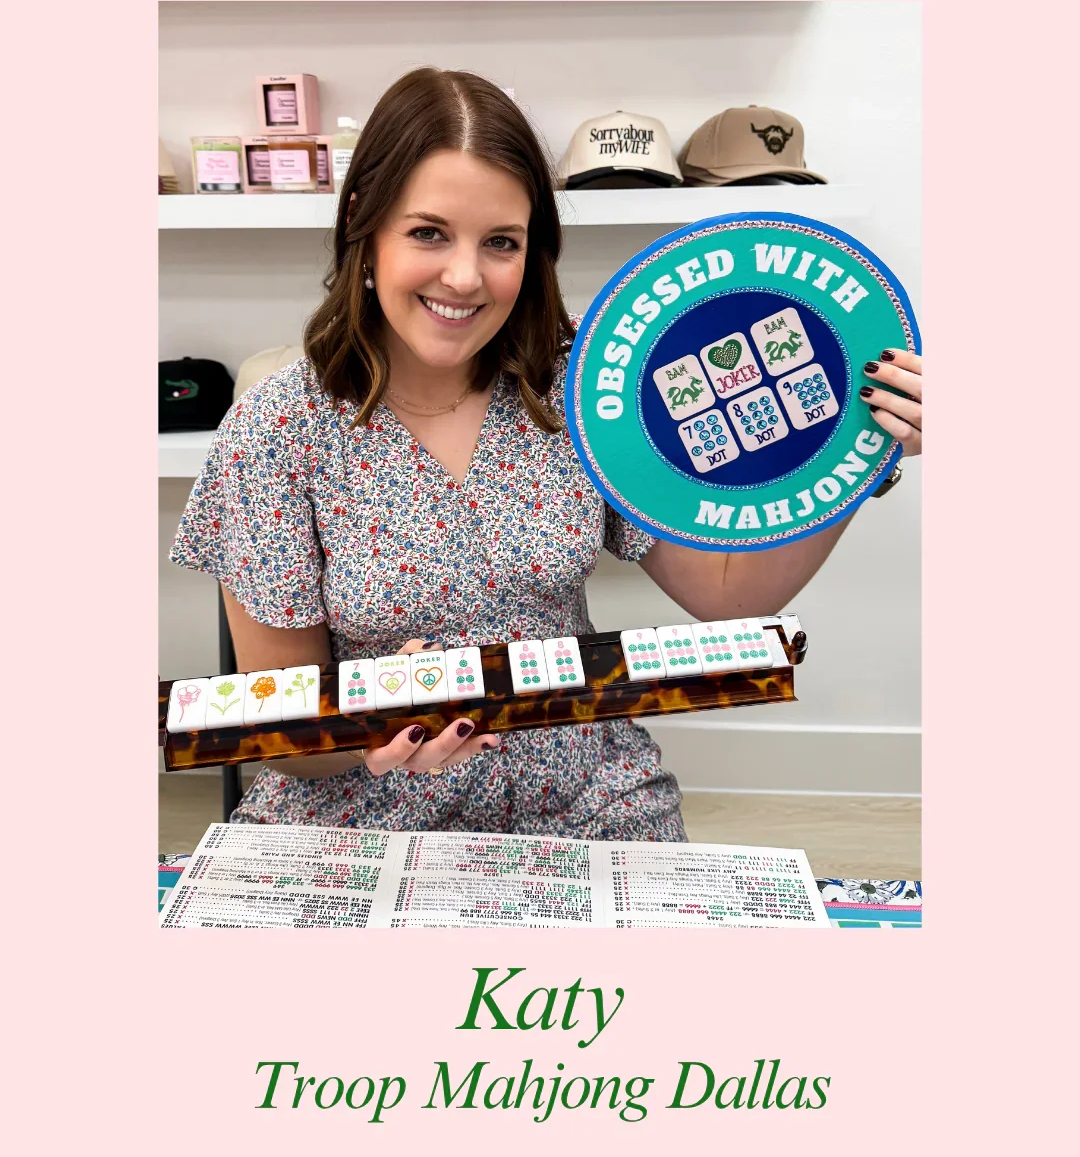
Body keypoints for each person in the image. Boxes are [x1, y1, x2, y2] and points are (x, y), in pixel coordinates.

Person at [170, 67, 923, 839]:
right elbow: (283, 731)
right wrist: (373, 722)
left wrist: (859, 451)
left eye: (501, 242)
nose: (464, 277)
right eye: (428, 232)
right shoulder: (276, 431)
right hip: (362, 815)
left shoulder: (583, 393)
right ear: (364, 222)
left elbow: (728, 599)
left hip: (585, 800)